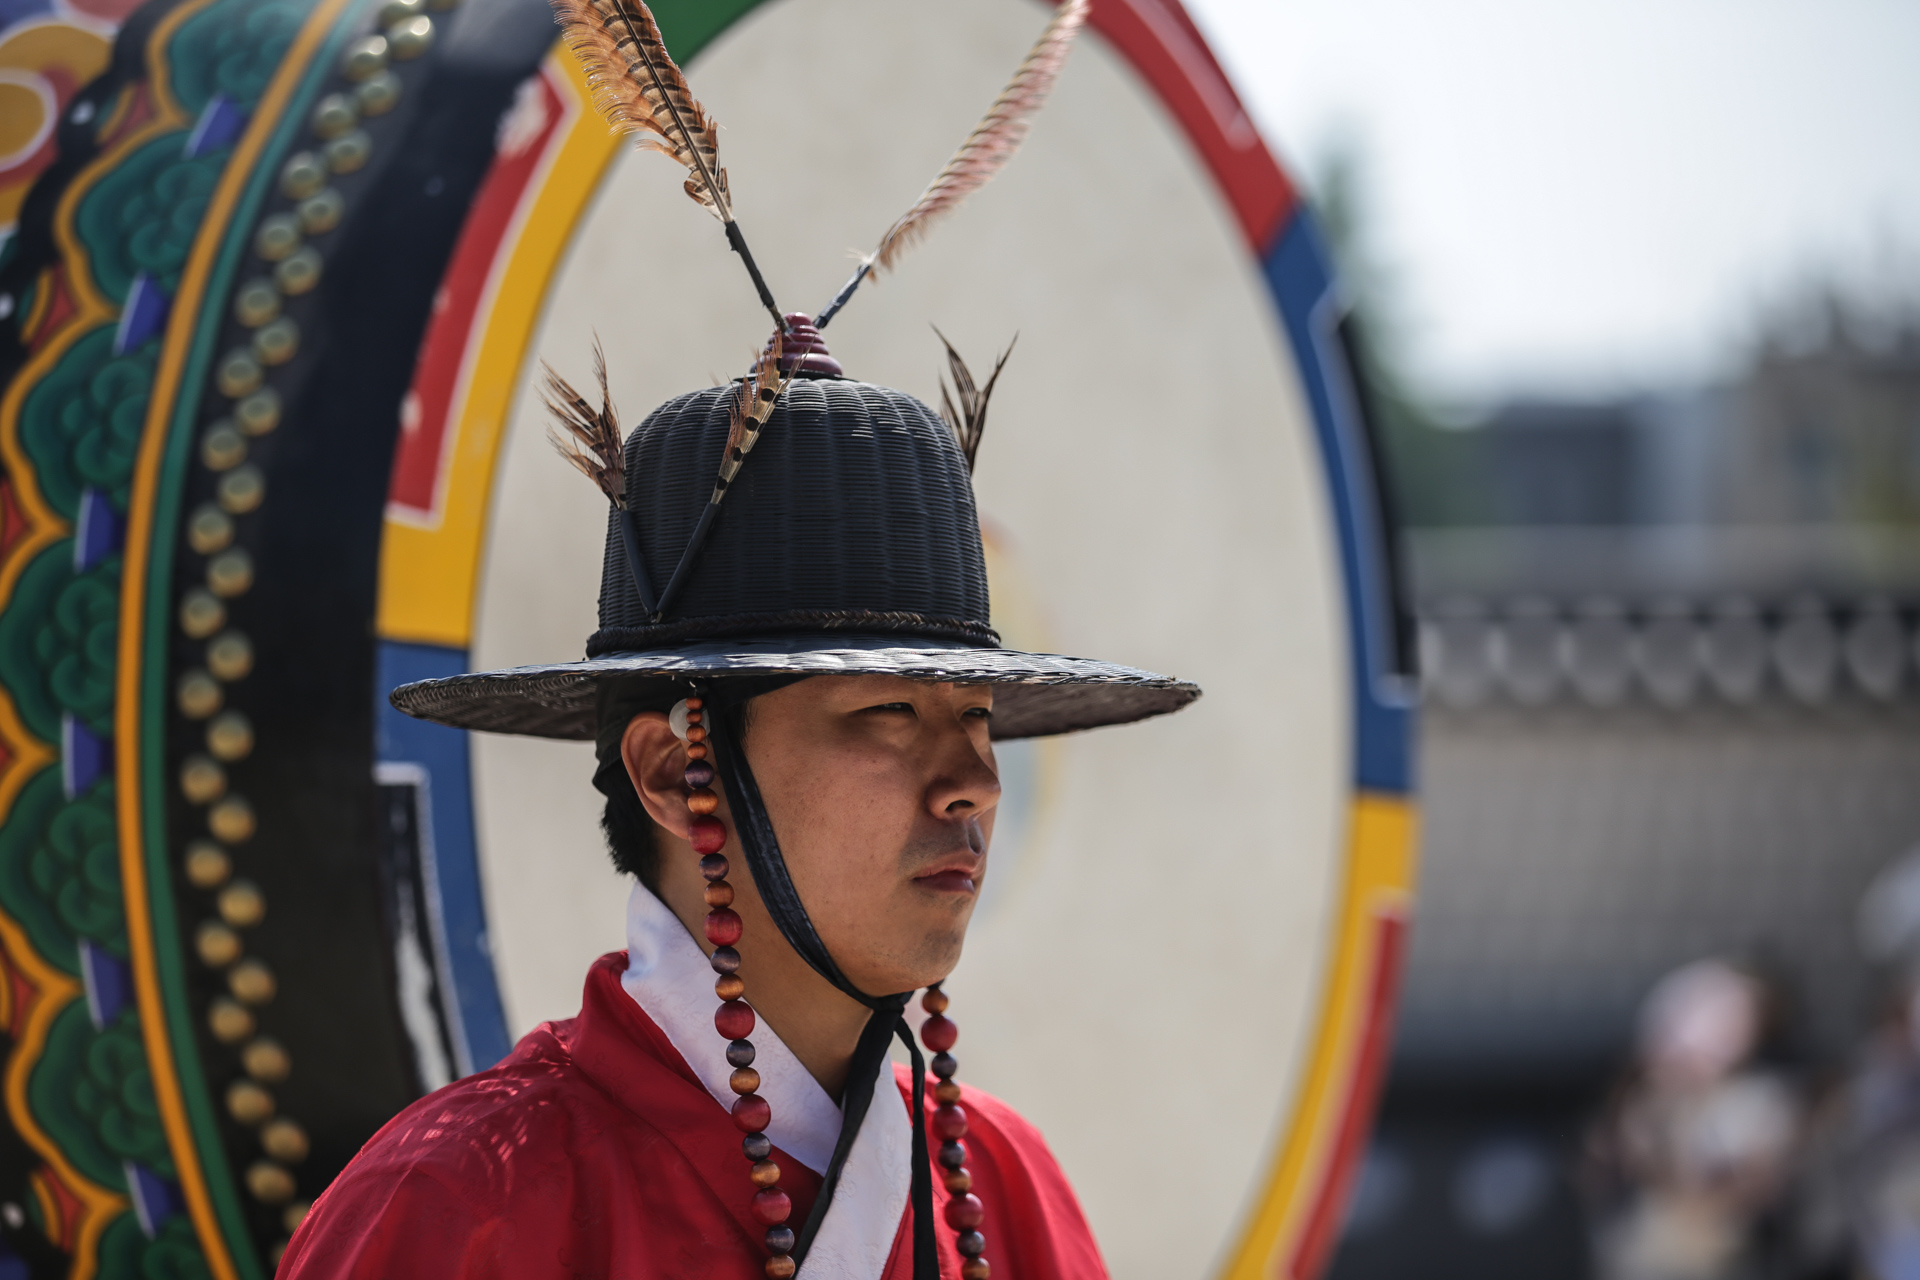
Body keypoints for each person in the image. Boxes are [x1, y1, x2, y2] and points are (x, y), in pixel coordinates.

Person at [278, 2, 1198, 1276]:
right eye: (889, 712)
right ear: (670, 767)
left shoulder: (1004, 1191)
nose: (974, 781)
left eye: (978, 719)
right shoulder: (459, 1208)